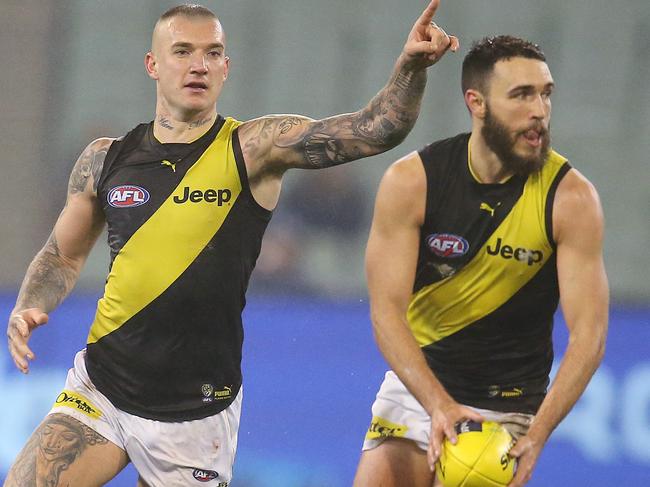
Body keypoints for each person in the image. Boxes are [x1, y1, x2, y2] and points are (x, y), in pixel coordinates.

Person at [4, 2, 460, 486]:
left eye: (212, 52)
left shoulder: (255, 147)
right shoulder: (104, 159)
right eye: (182, 51)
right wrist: (30, 304)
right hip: (103, 387)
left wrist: (410, 69)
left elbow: (375, 130)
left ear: (226, 67)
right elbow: (62, 254)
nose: (198, 64)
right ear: (152, 65)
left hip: (196, 412)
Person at [353, 35, 609, 487]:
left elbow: (589, 335)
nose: (539, 111)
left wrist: (540, 430)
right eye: (521, 95)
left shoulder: (571, 199)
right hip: (418, 389)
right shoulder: (414, 181)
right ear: (477, 102)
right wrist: (437, 405)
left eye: (545, 93)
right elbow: (385, 313)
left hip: (507, 410)